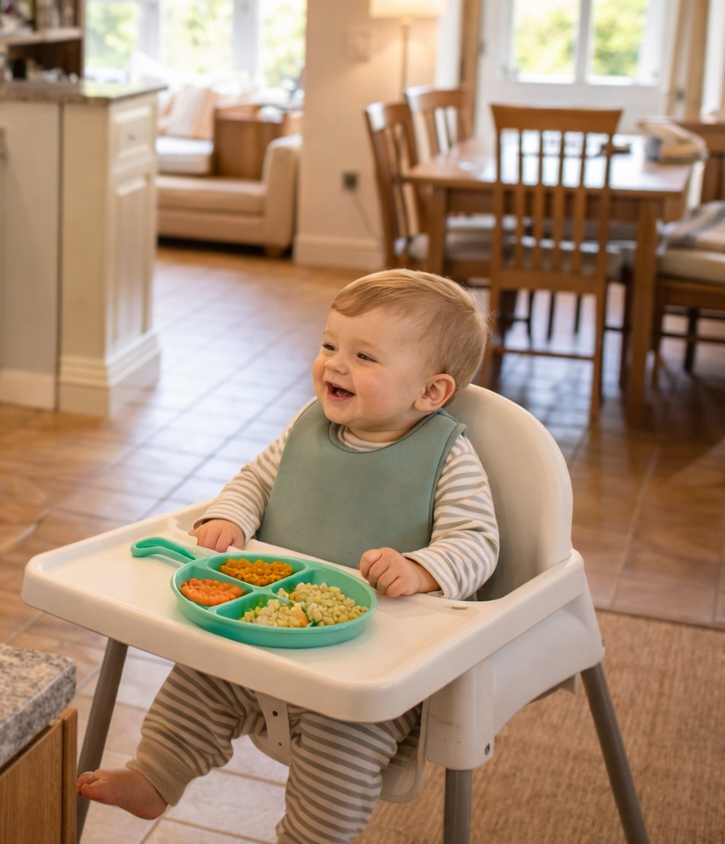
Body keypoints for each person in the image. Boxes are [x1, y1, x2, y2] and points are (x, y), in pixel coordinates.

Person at [78, 269, 500, 844]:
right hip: (266, 628)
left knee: (343, 747)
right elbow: (256, 481)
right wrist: (229, 517)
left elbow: (477, 542)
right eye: (329, 345)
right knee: (198, 676)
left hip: (364, 664)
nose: (334, 364)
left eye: (365, 356)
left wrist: (422, 570)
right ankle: (155, 777)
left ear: (430, 392)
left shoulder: (447, 456)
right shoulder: (307, 428)